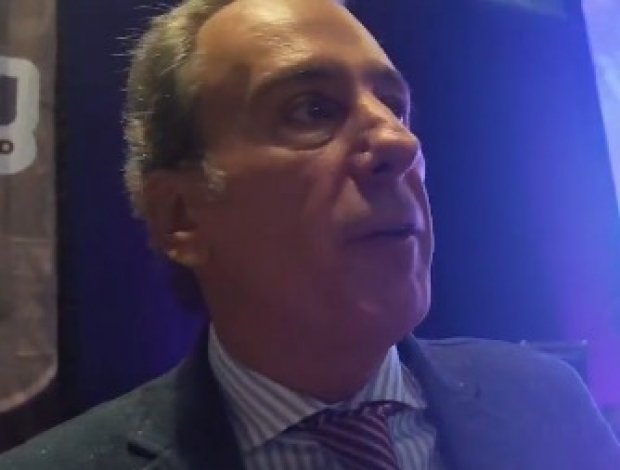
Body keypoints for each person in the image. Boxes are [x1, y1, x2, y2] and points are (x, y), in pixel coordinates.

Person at [1, 0, 619, 468]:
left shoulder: (549, 404)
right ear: (181, 215)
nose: (400, 142)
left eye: (394, 106)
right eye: (312, 109)